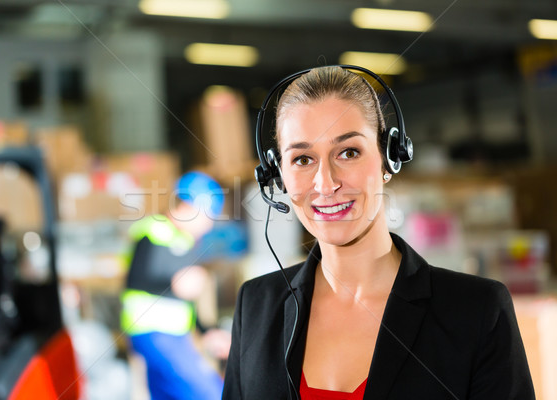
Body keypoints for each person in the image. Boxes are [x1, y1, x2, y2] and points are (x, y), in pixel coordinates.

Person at [222, 66, 535, 399]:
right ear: (278, 175)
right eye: (302, 159)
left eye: (349, 152)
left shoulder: (476, 311)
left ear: (389, 158)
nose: (326, 184)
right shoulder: (256, 305)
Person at [120, 171, 230, 400]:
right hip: (153, 333)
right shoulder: (154, 230)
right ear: (190, 207)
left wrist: (207, 331)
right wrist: (174, 283)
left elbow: (185, 300)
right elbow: (135, 279)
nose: (208, 226)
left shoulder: (186, 242)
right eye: (208, 217)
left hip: (174, 336)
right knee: (211, 394)